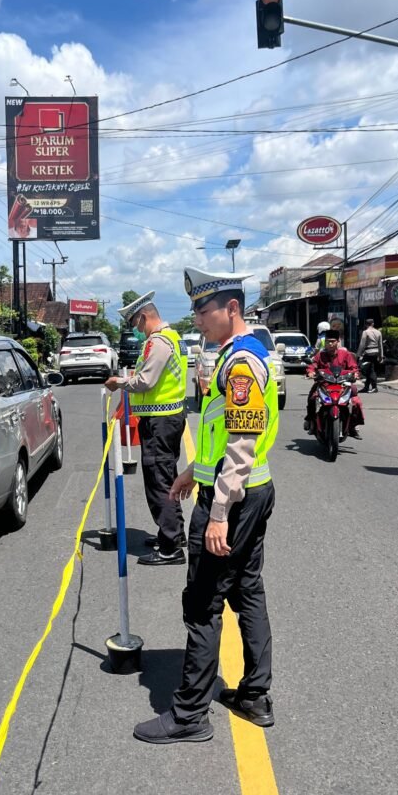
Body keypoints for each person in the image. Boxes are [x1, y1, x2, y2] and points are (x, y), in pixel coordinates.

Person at [133, 268, 278, 744]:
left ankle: (190, 714)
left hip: (232, 499)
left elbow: (241, 443)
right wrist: (189, 473)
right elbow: (218, 439)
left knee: (201, 603)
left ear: (231, 308)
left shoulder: (240, 364)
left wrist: (217, 513)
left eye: (202, 308)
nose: (196, 318)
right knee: (247, 591)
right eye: (194, 308)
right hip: (248, 490)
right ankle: (254, 696)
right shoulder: (238, 355)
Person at [105, 292, 188, 566]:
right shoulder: (170, 338)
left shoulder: (159, 341)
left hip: (161, 423)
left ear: (144, 317)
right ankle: (174, 534)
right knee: (167, 477)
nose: (136, 331)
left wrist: (119, 382)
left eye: (135, 325)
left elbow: (146, 381)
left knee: (158, 482)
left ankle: (170, 547)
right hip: (166, 419)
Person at [303, 330, 364, 439]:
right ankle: (311, 421)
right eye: (328, 341)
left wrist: (355, 374)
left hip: (343, 384)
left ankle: (353, 426)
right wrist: (311, 372)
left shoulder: (346, 354)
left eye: (332, 341)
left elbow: (354, 368)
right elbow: (313, 365)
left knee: (356, 402)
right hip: (324, 384)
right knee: (312, 398)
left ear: (338, 342)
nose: (330, 344)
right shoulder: (320, 355)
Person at [357, 318, 384, 393]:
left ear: (366, 324)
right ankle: (366, 387)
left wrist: (358, 355)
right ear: (373, 324)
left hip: (368, 352)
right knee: (370, 369)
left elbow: (362, 344)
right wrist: (381, 356)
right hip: (376, 352)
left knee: (368, 369)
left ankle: (374, 387)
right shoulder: (378, 332)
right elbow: (380, 345)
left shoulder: (365, 332)